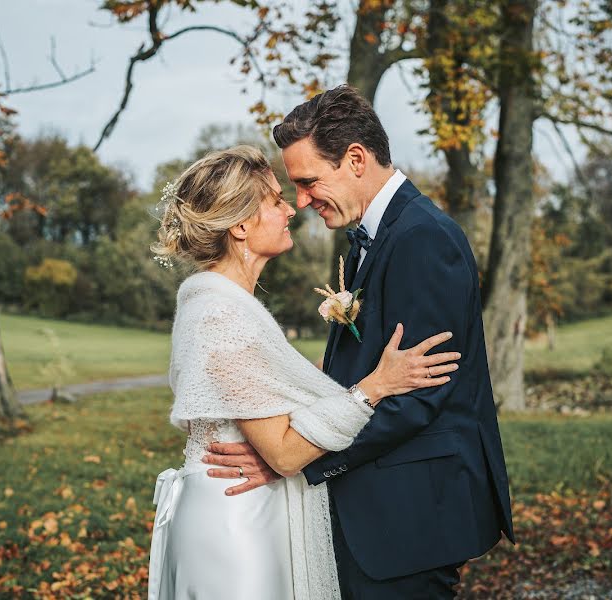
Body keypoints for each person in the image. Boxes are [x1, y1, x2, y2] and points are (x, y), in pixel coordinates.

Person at [204, 86, 515, 598]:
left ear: (354, 159)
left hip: (412, 512)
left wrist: (297, 458)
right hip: (384, 502)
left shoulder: (422, 238)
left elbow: (419, 397)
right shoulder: (375, 235)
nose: (302, 201)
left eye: (307, 182)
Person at [147, 144, 461, 600]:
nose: (292, 209)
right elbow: (286, 455)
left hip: (248, 509)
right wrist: (375, 386)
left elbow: (275, 388)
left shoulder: (228, 306)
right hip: (236, 523)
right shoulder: (219, 315)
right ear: (240, 226)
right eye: (275, 200)